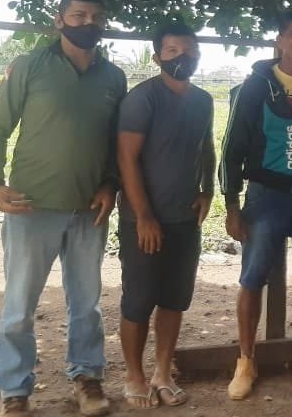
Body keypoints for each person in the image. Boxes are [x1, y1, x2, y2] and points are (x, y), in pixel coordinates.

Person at [0, 0, 127, 417]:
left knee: (87, 304)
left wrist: (110, 184)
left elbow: (116, 143)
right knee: (19, 306)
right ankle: (14, 390)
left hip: (89, 210)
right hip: (31, 206)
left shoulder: (113, 78)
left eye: (96, 16)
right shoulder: (29, 66)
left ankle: (87, 378)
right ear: (59, 20)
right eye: (78, 15)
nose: (88, 23)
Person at [220, 9, 292, 400]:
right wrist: (232, 205)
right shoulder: (256, 86)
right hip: (265, 197)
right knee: (253, 277)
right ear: (280, 40)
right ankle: (245, 360)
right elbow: (231, 147)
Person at [116, 22, 215, 408]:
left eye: (189, 51)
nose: (182, 58)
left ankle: (162, 372)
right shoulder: (142, 99)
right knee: (139, 300)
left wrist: (207, 189)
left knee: (175, 299)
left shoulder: (203, 100)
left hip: (185, 219)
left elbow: (207, 148)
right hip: (144, 221)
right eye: (173, 51)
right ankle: (134, 375)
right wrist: (143, 215)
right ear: (158, 57)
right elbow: (127, 158)